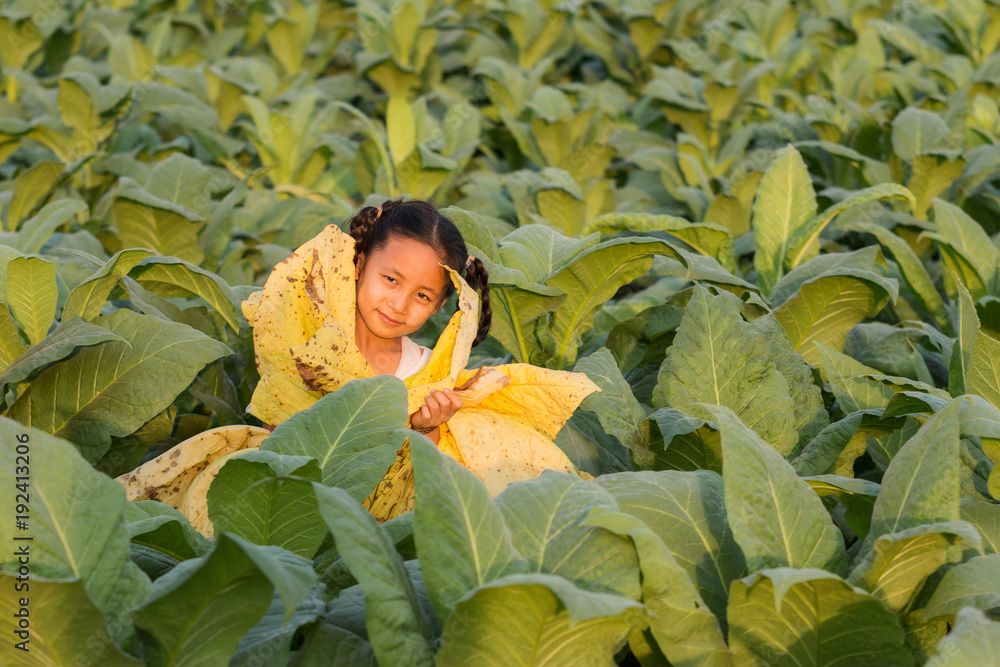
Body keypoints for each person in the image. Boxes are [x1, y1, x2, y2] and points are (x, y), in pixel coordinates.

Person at [345, 198, 491, 443]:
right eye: (391, 279)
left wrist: (425, 427)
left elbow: (417, 471)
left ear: (438, 307)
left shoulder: (429, 374)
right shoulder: (308, 340)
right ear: (360, 264)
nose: (399, 306)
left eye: (422, 296)